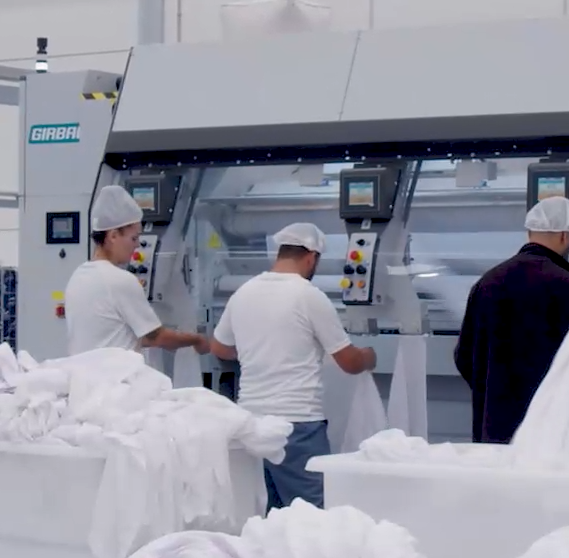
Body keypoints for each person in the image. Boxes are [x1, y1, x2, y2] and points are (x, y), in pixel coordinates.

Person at [206, 222, 377, 509]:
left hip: (251, 424)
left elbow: (219, 347)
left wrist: (256, 350)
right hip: (297, 426)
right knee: (310, 514)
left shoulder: (244, 292)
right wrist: (369, 357)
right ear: (312, 258)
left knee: (266, 513)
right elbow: (348, 362)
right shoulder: (308, 296)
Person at [455, 196, 569, 444]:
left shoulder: (487, 282)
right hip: (550, 427)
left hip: (493, 423)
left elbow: (464, 357)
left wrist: (493, 392)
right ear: (564, 235)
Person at [63, 185, 206, 356]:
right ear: (113, 235)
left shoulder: (79, 276)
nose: (138, 244)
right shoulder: (120, 280)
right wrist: (197, 340)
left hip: (85, 378)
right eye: (134, 238)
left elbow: (127, 334)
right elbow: (157, 337)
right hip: (115, 379)